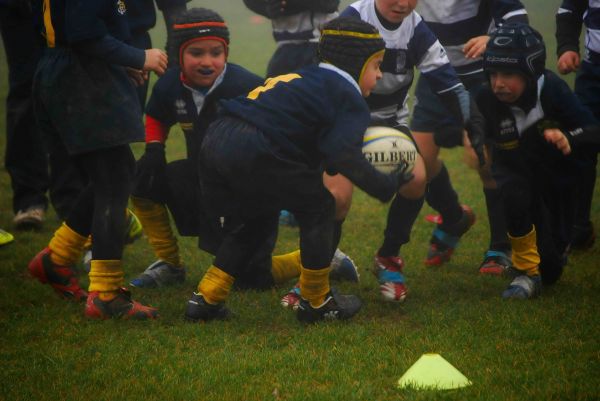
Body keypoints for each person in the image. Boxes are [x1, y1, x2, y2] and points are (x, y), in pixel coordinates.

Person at [184, 16, 413, 324]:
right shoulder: (348, 96)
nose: (380, 74)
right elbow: (341, 154)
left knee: (253, 220)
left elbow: (318, 144)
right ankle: (317, 301)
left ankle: (206, 299)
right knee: (320, 207)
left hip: (218, 140)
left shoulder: (307, 77)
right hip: (258, 146)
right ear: (358, 64)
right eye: (376, 66)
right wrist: (385, 185)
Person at [128, 7, 359, 291]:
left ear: (226, 53)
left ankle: (322, 259)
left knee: (250, 279)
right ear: (178, 55)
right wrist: (154, 149)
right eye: (196, 53)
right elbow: (156, 114)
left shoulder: (245, 84)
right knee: (143, 179)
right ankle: (170, 264)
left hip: (249, 187)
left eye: (216, 52)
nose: (207, 61)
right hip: (203, 178)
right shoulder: (170, 84)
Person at [337, 0, 485, 303]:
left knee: (417, 179)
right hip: (344, 121)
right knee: (337, 197)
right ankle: (315, 268)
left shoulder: (417, 29)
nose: (403, 3)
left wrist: (473, 123)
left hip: (391, 122)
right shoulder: (353, 18)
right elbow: (327, 77)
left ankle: (388, 257)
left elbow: (448, 83)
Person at [27, 0, 167, 319]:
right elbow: (84, 35)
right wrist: (139, 56)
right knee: (113, 179)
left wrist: (119, 59)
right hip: (82, 79)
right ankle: (105, 294)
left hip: (66, 70)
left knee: (113, 173)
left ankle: (56, 258)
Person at [477, 23, 599, 298]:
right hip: (516, 172)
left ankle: (546, 262)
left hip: (559, 181)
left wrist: (569, 137)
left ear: (532, 71)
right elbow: (473, 128)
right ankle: (525, 271)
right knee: (513, 193)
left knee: (552, 271)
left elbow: (593, 130)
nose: (498, 82)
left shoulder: (553, 90)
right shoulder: (486, 97)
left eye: (508, 74)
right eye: (493, 73)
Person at [414, 0, 528, 275]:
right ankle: (454, 217)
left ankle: (500, 247)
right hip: (436, 78)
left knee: (486, 162)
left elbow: (517, 19)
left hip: (482, 78)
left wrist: (494, 39)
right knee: (416, 163)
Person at [243, 0, 339, 228]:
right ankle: (286, 199)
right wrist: (268, 7)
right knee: (276, 127)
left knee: (317, 128)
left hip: (322, 48)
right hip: (286, 50)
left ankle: (311, 197)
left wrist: (286, 3)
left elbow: (329, 3)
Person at [0, 0, 84, 229]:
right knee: (25, 93)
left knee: (69, 93)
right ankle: (29, 200)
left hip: (65, 8)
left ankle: (71, 200)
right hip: (19, 10)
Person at [556, 0, 600, 249]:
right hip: (593, 72)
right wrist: (567, 47)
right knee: (579, 141)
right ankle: (578, 226)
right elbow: (569, 11)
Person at [125, 0, 188, 107]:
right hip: (95, 44)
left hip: (134, 43)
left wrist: (174, 73)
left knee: (126, 118)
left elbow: (175, 11)